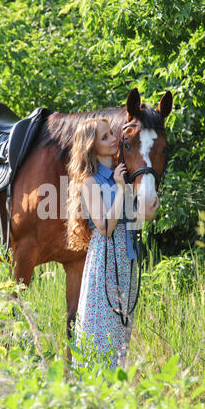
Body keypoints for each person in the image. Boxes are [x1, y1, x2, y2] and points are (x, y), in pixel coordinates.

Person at [66, 118, 138, 369]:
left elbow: (139, 215)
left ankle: (115, 385)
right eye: (105, 137)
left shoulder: (123, 172)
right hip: (106, 258)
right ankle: (92, 382)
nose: (113, 139)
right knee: (100, 321)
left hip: (125, 257)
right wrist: (120, 189)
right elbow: (105, 228)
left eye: (111, 134)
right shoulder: (90, 181)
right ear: (91, 147)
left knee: (120, 326)